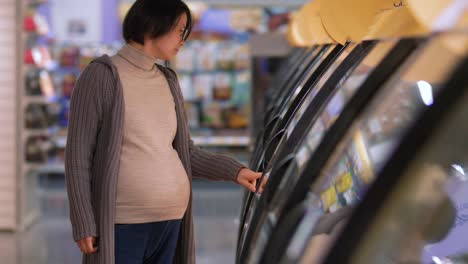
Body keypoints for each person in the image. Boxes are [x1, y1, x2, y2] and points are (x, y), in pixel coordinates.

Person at [64, 1, 266, 263]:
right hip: (122, 223)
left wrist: (236, 171)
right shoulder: (101, 76)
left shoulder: (167, 79)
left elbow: (185, 152)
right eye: (179, 30)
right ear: (151, 25)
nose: (184, 39)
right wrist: (83, 222)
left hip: (171, 221)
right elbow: (77, 156)